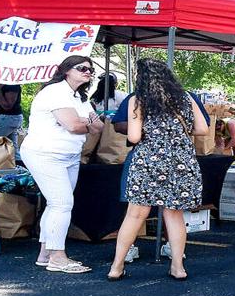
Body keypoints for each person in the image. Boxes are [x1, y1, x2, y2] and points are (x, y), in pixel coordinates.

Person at [107, 58, 207, 283]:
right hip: (181, 161)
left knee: (135, 215)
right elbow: (202, 129)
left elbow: (133, 137)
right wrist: (175, 132)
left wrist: (153, 131)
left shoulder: (137, 100)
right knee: (174, 214)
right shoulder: (187, 97)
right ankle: (178, 267)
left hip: (148, 162)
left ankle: (116, 267)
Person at [19, 55, 103, 274]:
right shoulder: (55, 92)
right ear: (67, 70)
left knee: (56, 204)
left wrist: (80, 122)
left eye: (90, 69)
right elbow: (74, 126)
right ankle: (57, 257)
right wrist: (84, 122)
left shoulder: (80, 97)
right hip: (46, 153)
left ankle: (46, 254)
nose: (87, 72)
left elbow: (99, 127)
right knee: (62, 204)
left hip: (69, 155)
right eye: (82, 68)